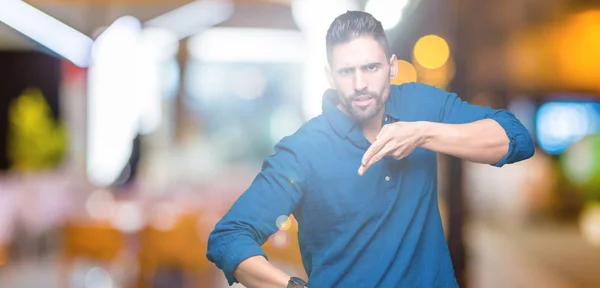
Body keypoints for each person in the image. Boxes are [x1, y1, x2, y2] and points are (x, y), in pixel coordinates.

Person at [206, 10, 534, 288]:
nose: (360, 83)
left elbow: (515, 138)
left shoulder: (421, 103)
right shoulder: (302, 151)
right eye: (347, 71)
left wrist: (422, 133)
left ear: (391, 66)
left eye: (371, 68)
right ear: (330, 75)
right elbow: (229, 237)